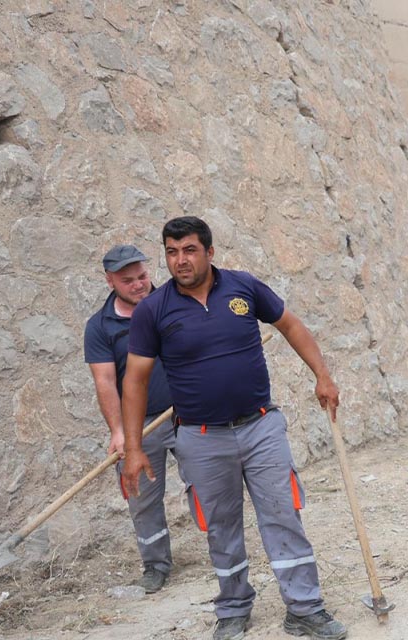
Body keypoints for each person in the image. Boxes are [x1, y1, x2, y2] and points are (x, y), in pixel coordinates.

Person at [120, 217, 346, 640]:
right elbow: (134, 380)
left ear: (209, 251)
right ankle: (234, 608)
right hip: (201, 438)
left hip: (261, 427)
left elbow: (291, 325)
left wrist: (323, 375)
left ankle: (304, 607)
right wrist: (134, 447)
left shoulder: (244, 288)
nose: (180, 260)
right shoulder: (154, 309)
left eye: (188, 250)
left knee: (283, 515)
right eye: (171, 252)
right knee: (220, 526)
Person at [83, 245, 178, 593]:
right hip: (141, 426)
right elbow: (105, 381)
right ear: (109, 280)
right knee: (141, 497)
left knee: (208, 487)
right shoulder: (99, 326)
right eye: (128, 280)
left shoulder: (172, 301)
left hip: (188, 414)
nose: (139, 285)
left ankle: (222, 554)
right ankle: (155, 565)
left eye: (142, 276)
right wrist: (120, 432)